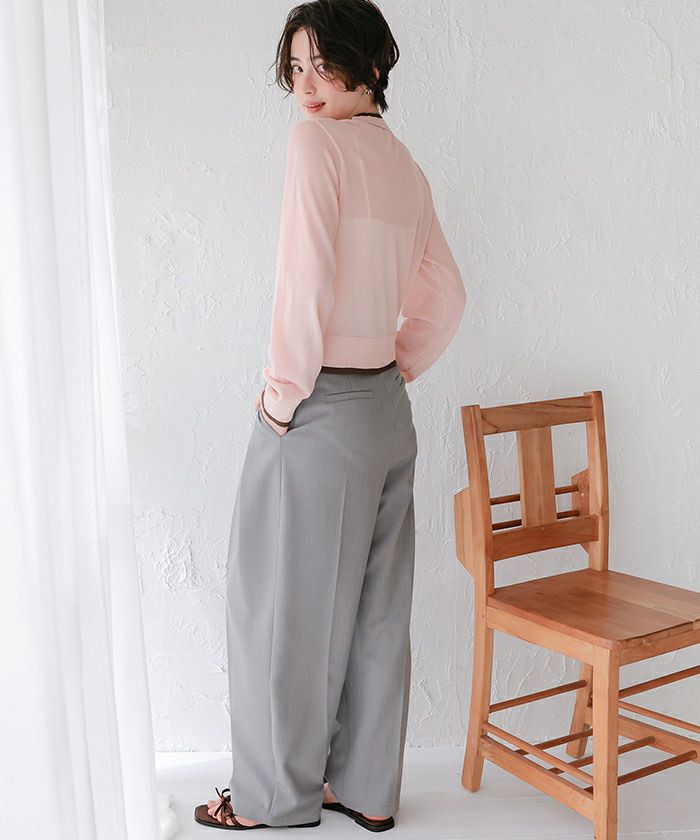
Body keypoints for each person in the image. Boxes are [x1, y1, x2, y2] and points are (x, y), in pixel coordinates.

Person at [194, 0, 466, 831]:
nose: (307, 86)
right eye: (296, 68)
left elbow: (304, 283)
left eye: (324, 63)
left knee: (278, 608)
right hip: (385, 409)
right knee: (378, 610)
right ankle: (365, 790)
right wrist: (396, 365)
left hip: (318, 409)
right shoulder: (404, 163)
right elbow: (448, 296)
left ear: (370, 65)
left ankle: (272, 799)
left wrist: (283, 398)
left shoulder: (316, 145)